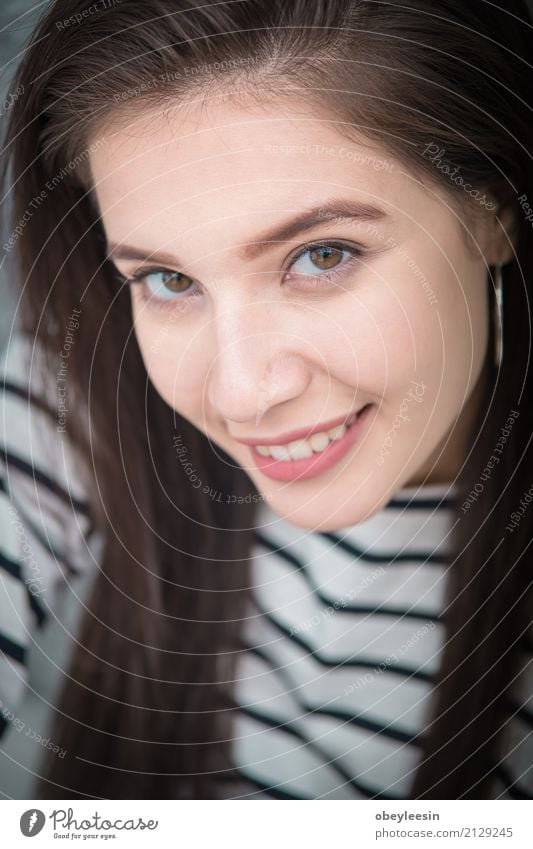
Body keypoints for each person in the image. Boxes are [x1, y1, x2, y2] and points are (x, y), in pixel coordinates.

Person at [0, 0, 532, 800]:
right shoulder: (78, 388)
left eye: (321, 255)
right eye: (168, 280)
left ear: (491, 209)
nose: (240, 392)